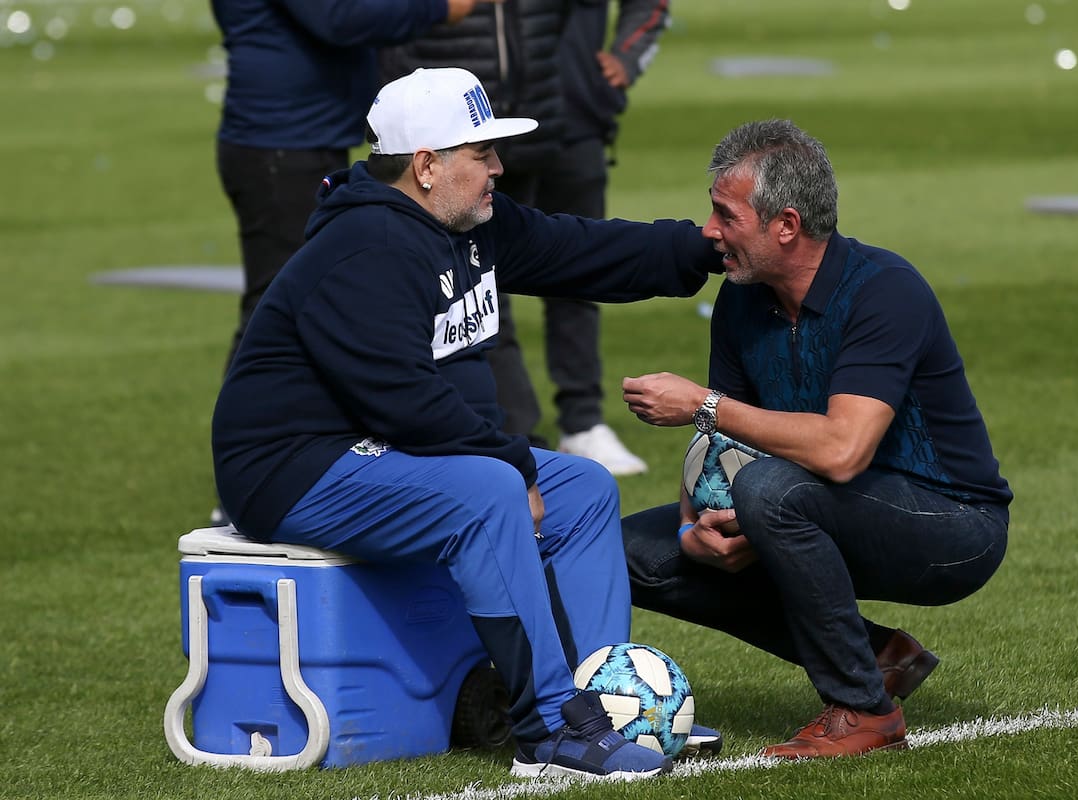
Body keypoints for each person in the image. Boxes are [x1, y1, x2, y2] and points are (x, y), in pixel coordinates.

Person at [211, 67, 722, 780]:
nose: (498, 169)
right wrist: (511, 464)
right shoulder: (363, 248)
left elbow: (578, 250)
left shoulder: (467, 225)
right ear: (425, 166)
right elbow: (403, 399)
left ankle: (606, 705)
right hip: (290, 467)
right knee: (489, 492)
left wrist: (700, 248)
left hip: (372, 445)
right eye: (481, 154)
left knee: (582, 488)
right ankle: (549, 734)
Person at [620, 120, 1012, 759]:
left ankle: (863, 711)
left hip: (953, 526)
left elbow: (840, 449)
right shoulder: (742, 299)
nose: (709, 231)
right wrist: (697, 524)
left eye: (726, 214)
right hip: (813, 504)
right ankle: (878, 655)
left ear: (787, 224)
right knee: (627, 550)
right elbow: (726, 446)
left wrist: (701, 403)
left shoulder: (886, 290)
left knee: (772, 493)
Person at [208, 0, 494, 524]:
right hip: (280, 139)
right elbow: (340, 17)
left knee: (290, 305)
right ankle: (261, 469)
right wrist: (446, 7)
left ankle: (303, 453)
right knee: (280, 307)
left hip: (295, 134)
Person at [376, 0, 669, 476]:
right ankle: (521, 434)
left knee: (574, 262)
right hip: (459, 131)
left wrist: (624, 57)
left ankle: (582, 420)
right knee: (481, 285)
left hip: (564, 113)